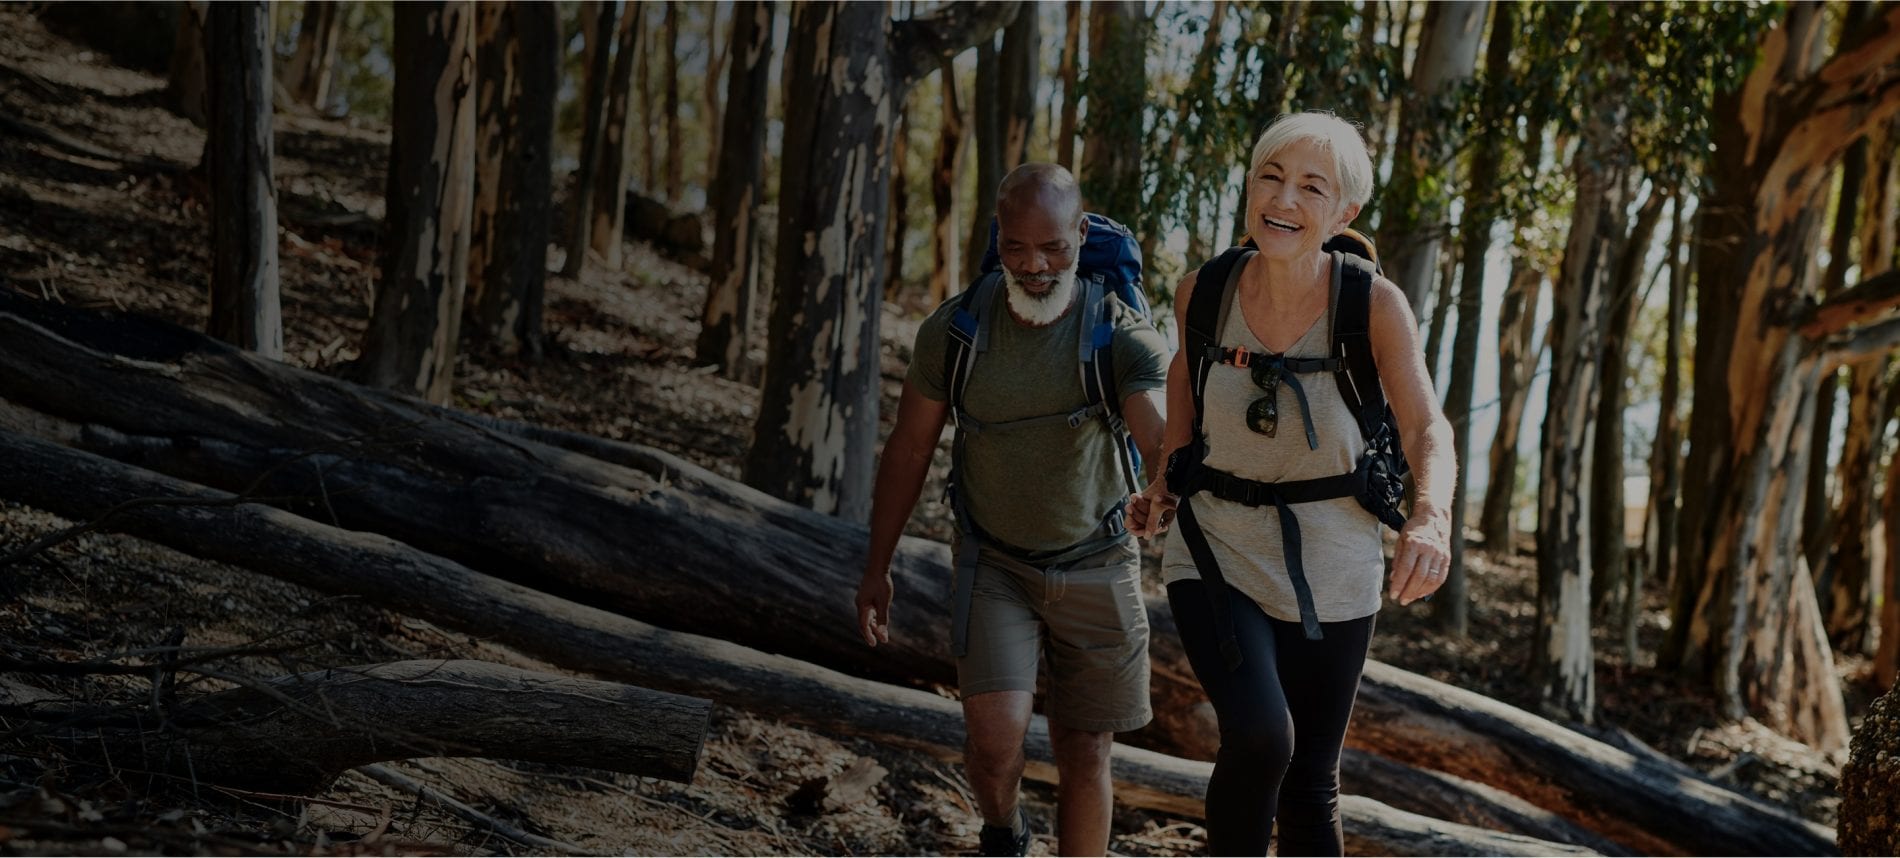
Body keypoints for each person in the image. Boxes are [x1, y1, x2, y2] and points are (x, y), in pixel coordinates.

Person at [1126, 111, 1456, 856]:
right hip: (1217, 546)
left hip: (1336, 560)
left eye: (1313, 187)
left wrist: (1430, 516)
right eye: (1271, 177)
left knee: (1310, 781)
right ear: (1250, 187)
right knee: (1261, 737)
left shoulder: (1371, 304)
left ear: (1345, 213)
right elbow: (1187, 382)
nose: (1285, 199)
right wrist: (1164, 485)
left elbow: (1426, 426)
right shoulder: (1202, 293)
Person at [855, 162, 1170, 857]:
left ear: (1082, 236)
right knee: (995, 746)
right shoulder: (957, 331)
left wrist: (1162, 487)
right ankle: (1006, 832)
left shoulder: (1115, 331)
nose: (1035, 265)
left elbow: (1155, 428)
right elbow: (908, 451)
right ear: (997, 239)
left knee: (1085, 752)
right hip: (995, 561)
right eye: (1017, 248)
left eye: (1054, 247)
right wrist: (877, 568)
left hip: (1096, 559)